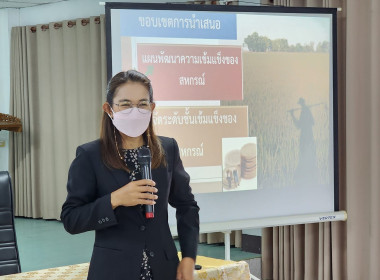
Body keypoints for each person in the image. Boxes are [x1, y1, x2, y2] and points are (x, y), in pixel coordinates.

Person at [61, 70, 200, 280]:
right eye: (125, 104)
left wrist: (189, 256)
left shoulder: (168, 148)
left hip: (164, 268)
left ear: (152, 108)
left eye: (142, 104)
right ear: (109, 109)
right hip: (113, 270)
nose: (135, 111)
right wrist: (114, 200)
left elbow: (187, 206)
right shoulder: (90, 155)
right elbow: (71, 219)